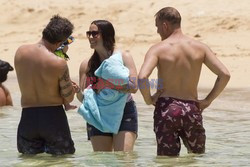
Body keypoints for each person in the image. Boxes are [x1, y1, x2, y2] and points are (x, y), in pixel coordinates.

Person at [138, 7, 230, 156]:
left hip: (166, 109)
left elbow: (142, 78)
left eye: (157, 26)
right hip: (192, 109)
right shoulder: (200, 48)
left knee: (167, 161)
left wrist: (148, 99)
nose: (157, 31)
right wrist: (208, 100)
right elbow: (224, 74)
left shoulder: (158, 49)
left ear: (165, 25)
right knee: (196, 157)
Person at [14, 15, 77, 155]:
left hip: (28, 118)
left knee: (29, 162)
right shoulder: (58, 63)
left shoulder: (20, 52)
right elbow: (69, 97)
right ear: (60, 42)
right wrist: (72, 88)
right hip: (53, 118)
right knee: (61, 161)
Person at [77, 20, 138, 152]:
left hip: (124, 110)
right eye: (89, 34)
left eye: (95, 34)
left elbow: (134, 87)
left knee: (123, 159)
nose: (91, 37)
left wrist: (106, 83)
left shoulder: (124, 57)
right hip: (97, 112)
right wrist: (76, 92)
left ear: (106, 35)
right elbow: (85, 97)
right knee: (102, 160)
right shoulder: (86, 64)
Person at [54, 36, 77, 111]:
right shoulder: (60, 55)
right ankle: (67, 105)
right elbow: (64, 74)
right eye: (67, 46)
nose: (68, 48)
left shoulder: (54, 53)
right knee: (65, 85)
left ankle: (67, 105)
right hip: (58, 79)